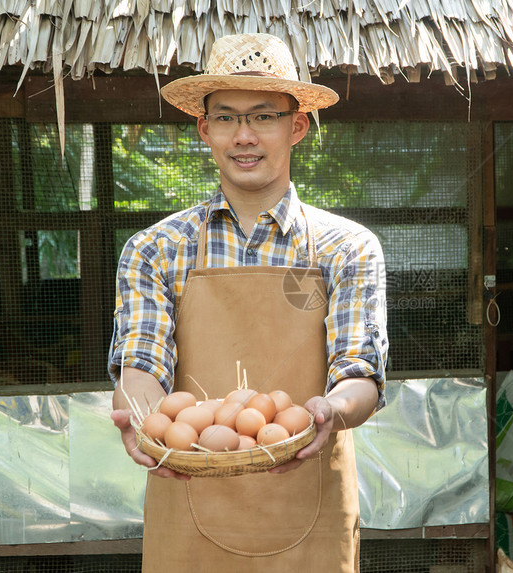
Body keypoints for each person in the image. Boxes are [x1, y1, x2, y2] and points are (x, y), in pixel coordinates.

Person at [108, 33, 388, 573]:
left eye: (263, 116)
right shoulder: (155, 249)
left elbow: (361, 374)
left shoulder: (346, 248)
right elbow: (141, 361)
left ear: (297, 125)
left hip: (309, 500)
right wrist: (143, 419)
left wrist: (332, 411)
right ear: (204, 128)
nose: (244, 136)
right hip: (187, 497)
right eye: (227, 117)